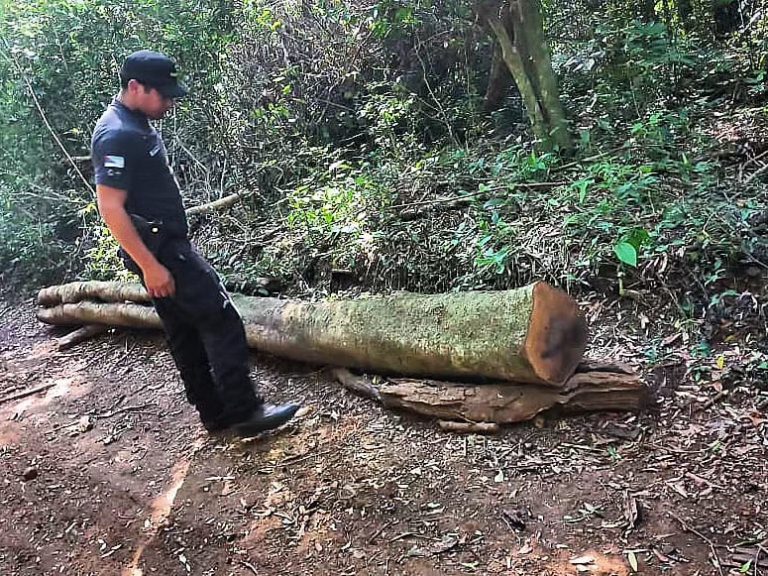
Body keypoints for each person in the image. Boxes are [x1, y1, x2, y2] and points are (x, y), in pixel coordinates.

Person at [91, 50, 299, 436]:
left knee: (184, 329)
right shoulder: (116, 134)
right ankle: (245, 412)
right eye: (164, 94)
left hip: (159, 244)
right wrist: (151, 264)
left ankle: (215, 413)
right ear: (136, 87)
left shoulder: (134, 123)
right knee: (221, 318)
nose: (169, 102)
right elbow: (110, 207)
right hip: (160, 248)